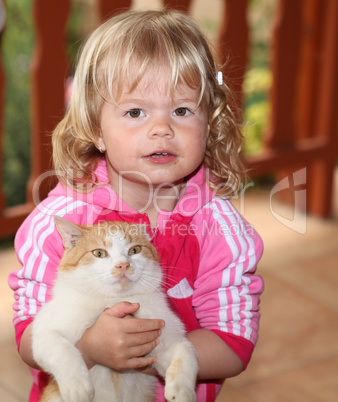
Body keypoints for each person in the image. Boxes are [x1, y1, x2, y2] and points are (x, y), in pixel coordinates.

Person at [8, 10, 264, 402]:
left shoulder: (223, 230)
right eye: (135, 112)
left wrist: (145, 353)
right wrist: (91, 348)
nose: (161, 128)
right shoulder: (59, 222)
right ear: (97, 129)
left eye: (181, 110)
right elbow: (28, 333)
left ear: (209, 123)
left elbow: (233, 342)